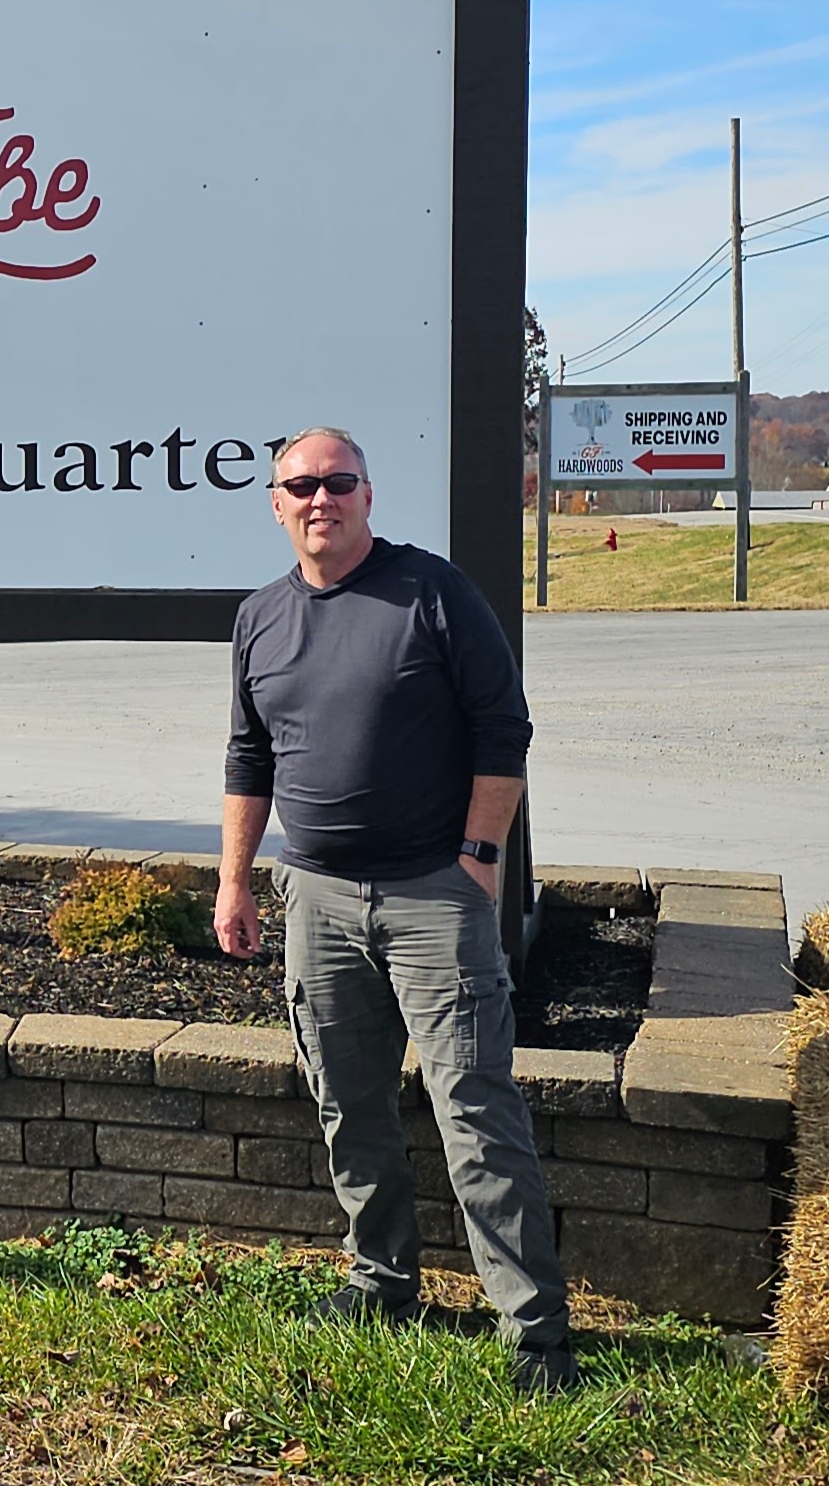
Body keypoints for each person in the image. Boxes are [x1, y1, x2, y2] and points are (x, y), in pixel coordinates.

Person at [214, 426, 576, 1395]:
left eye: (337, 482)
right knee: (348, 1100)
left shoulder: (432, 592)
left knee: (476, 1109)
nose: (319, 498)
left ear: (368, 495)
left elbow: (505, 726)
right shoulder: (260, 617)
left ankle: (535, 1332)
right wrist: (237, 879)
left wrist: (479, 859)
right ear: (277, 503)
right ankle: (381, 1281)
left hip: (433, 897)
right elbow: (251, 757)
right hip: (317, 897)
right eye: (301, 485)